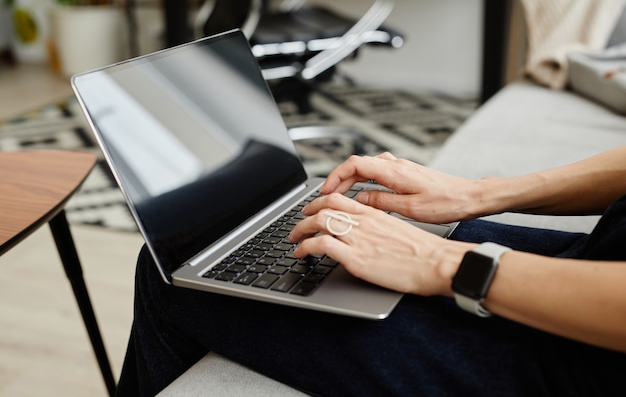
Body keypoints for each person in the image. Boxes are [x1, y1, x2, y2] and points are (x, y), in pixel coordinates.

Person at [115, 147, 626, 397]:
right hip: (595, 262)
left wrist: (438, 262)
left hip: (589, 360)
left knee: (173, 277)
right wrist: (479, 194)